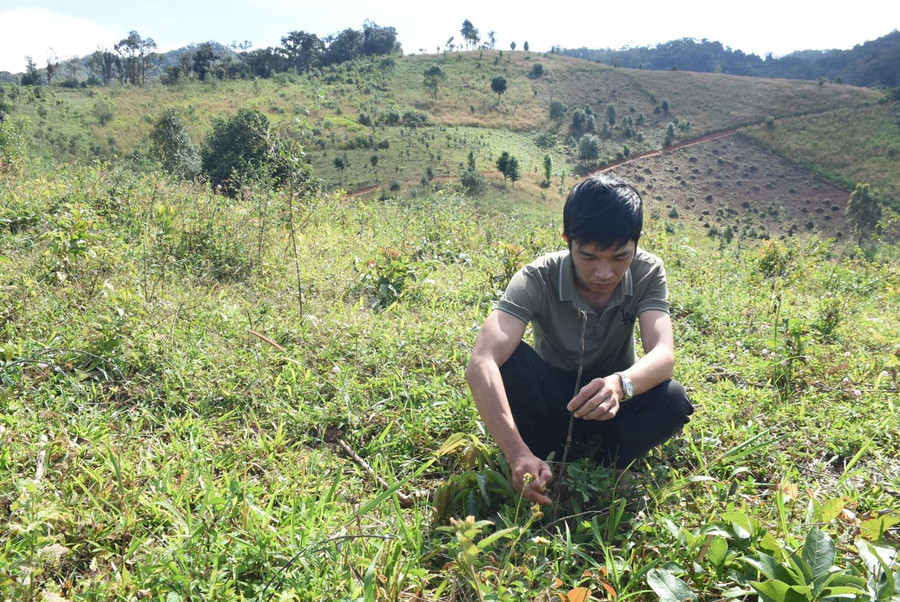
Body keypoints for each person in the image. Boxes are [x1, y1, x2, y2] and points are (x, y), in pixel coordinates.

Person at [465, 173, 693, 505]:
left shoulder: (648, 271)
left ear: (637, 242)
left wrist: (620, 384)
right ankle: (537, 458)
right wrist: (516, 453)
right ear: (567, 239)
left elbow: (663, 354)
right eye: (588, 256)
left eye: (619, 257)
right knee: (509, 363)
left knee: (671, 398)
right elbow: (481, 363)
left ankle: (604, 467)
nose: (604, 273)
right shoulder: (537, 276)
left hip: (614, 406)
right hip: (553, 400)